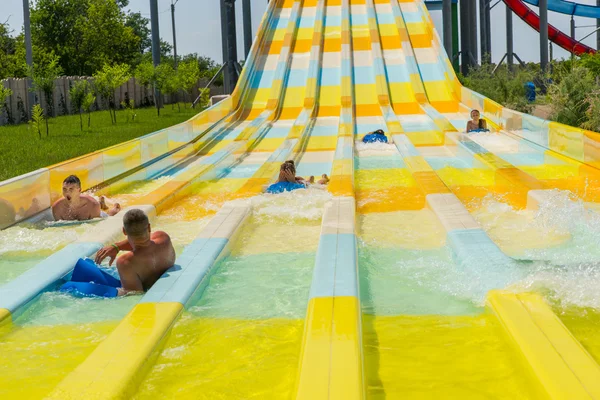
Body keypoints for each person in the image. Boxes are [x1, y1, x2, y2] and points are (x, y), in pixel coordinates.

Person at [92, 208, 176, 296]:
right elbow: (145, 242)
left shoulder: (126, 262)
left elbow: (135, 294)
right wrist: (116, 247)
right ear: (149, 227)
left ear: (124, 231)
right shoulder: (164, 238)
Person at [51, 175, 120, 221]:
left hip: (98, 215)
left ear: (79, 190)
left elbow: (97, 227)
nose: (67, 193)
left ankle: (115, 208)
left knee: (110, 217)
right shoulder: (57, 208)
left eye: (71, 189)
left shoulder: (92, 205)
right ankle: (102, 204)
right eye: (64, 189)